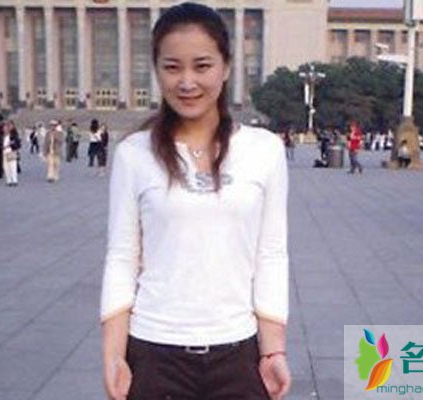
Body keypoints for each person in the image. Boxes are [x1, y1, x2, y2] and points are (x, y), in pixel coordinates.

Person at [100, 3, 291, 400]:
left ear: (226, 67)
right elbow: (121, 256)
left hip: (237, 354)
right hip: (154, 354)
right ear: (157, 71)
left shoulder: (264, 150)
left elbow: (271, 254)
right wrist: (114, 353)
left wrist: (273, 349)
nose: (187, 82)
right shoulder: (135, 153)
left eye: (202, 66)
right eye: (172, 67)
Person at [2, 120, 21, 186]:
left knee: (12, 166)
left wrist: (9, 144)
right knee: (6, 166)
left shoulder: (13, 134)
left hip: (11, 151)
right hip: (4, 151)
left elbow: (16, 142)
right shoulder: (4, 135)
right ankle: (9, 180)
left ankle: (14, 180)